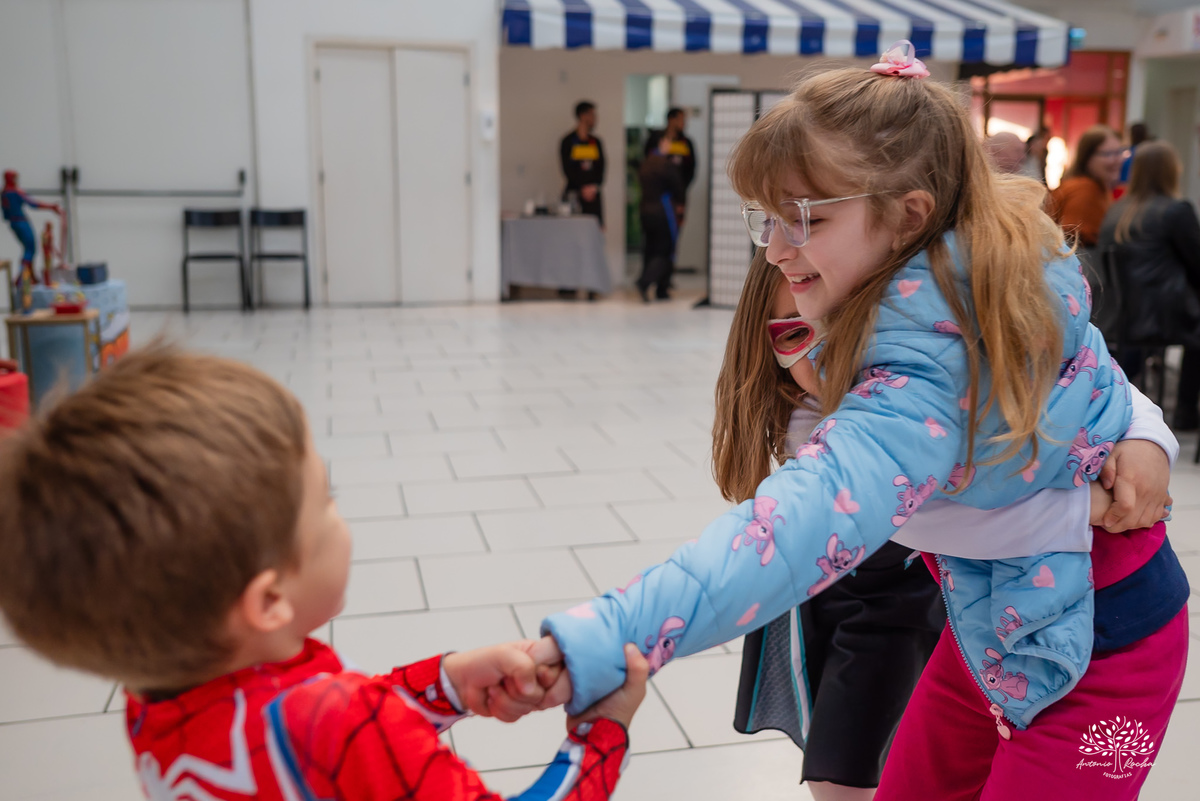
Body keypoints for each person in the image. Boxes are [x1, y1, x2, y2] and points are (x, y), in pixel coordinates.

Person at [535, 42, 1189, 799]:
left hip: (1102, 647)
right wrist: (1128, 451)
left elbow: (780, 538)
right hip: (991, 627)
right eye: (765, 220)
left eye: (804, 218)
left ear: (908, 215)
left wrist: (604, 636)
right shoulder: (975, 270)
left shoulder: (937, 350)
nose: (776, 249)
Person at [0, 345, 648, 801]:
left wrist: (444, 684)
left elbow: (321, 733)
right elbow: (345, 732)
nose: (340, 514)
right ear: (269, 598)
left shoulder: (156, 701)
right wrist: (598, 736)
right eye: (326, 499)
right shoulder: (345, 725)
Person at [716, 252, 1178, 801]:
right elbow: (954, 521)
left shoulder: (945, 349)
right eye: (796, 334)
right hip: (979, 638)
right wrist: (1092, 506)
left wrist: (1150, 438)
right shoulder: (825, 435)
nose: (829, 354)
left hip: (1112, 646)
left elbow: (1083, 357)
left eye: (853, 325)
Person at [1099, 140, 1200, 430]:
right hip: (1160, 317)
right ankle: (1186, 410)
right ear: (1172, 171)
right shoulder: (1177, 210)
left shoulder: (1117, 210)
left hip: (1121, 314)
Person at [1050, 125, 1125, 334]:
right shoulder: (1085, 189)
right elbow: (1069, 235)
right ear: (1088, 158)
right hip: (1081, 277)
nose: (1117, 159)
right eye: (1108, 154)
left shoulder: (1096, 186)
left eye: (1120, 152)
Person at [1, 170, 61, 309]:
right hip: (20, 221)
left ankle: (29, 276)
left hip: (13, 223)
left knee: (29, 249)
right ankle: (22, 278)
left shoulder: (4, 193)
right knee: (30, 249)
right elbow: (32, 203)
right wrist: (51, 206)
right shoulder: (14, 192)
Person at [635, 138, 686, 302]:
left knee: (650, 249)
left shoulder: (646, 163)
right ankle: (645, 281)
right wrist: (680, 204)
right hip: (663, 212)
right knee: (665, 251)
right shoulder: (665, 164)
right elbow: (678, 188)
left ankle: (660, 290)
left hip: (645, 211)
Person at [560, 101, 605, 224]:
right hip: (575, 196)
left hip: (593, 198)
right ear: (583, 116)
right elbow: (567, 169)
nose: (595, 119)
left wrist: (593, 187)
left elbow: (601, 168)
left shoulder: (595, 142)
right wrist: (582, 188)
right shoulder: (568, 142)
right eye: (592, 115)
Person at [644, 107, 697, 197]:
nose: (684, 123)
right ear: (671, 120)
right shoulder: (656, 139)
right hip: (656, 192)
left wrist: (682, 189)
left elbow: (690, 168)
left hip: (678, 193)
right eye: (681, 119)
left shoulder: (685, 143)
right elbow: (647, 161)